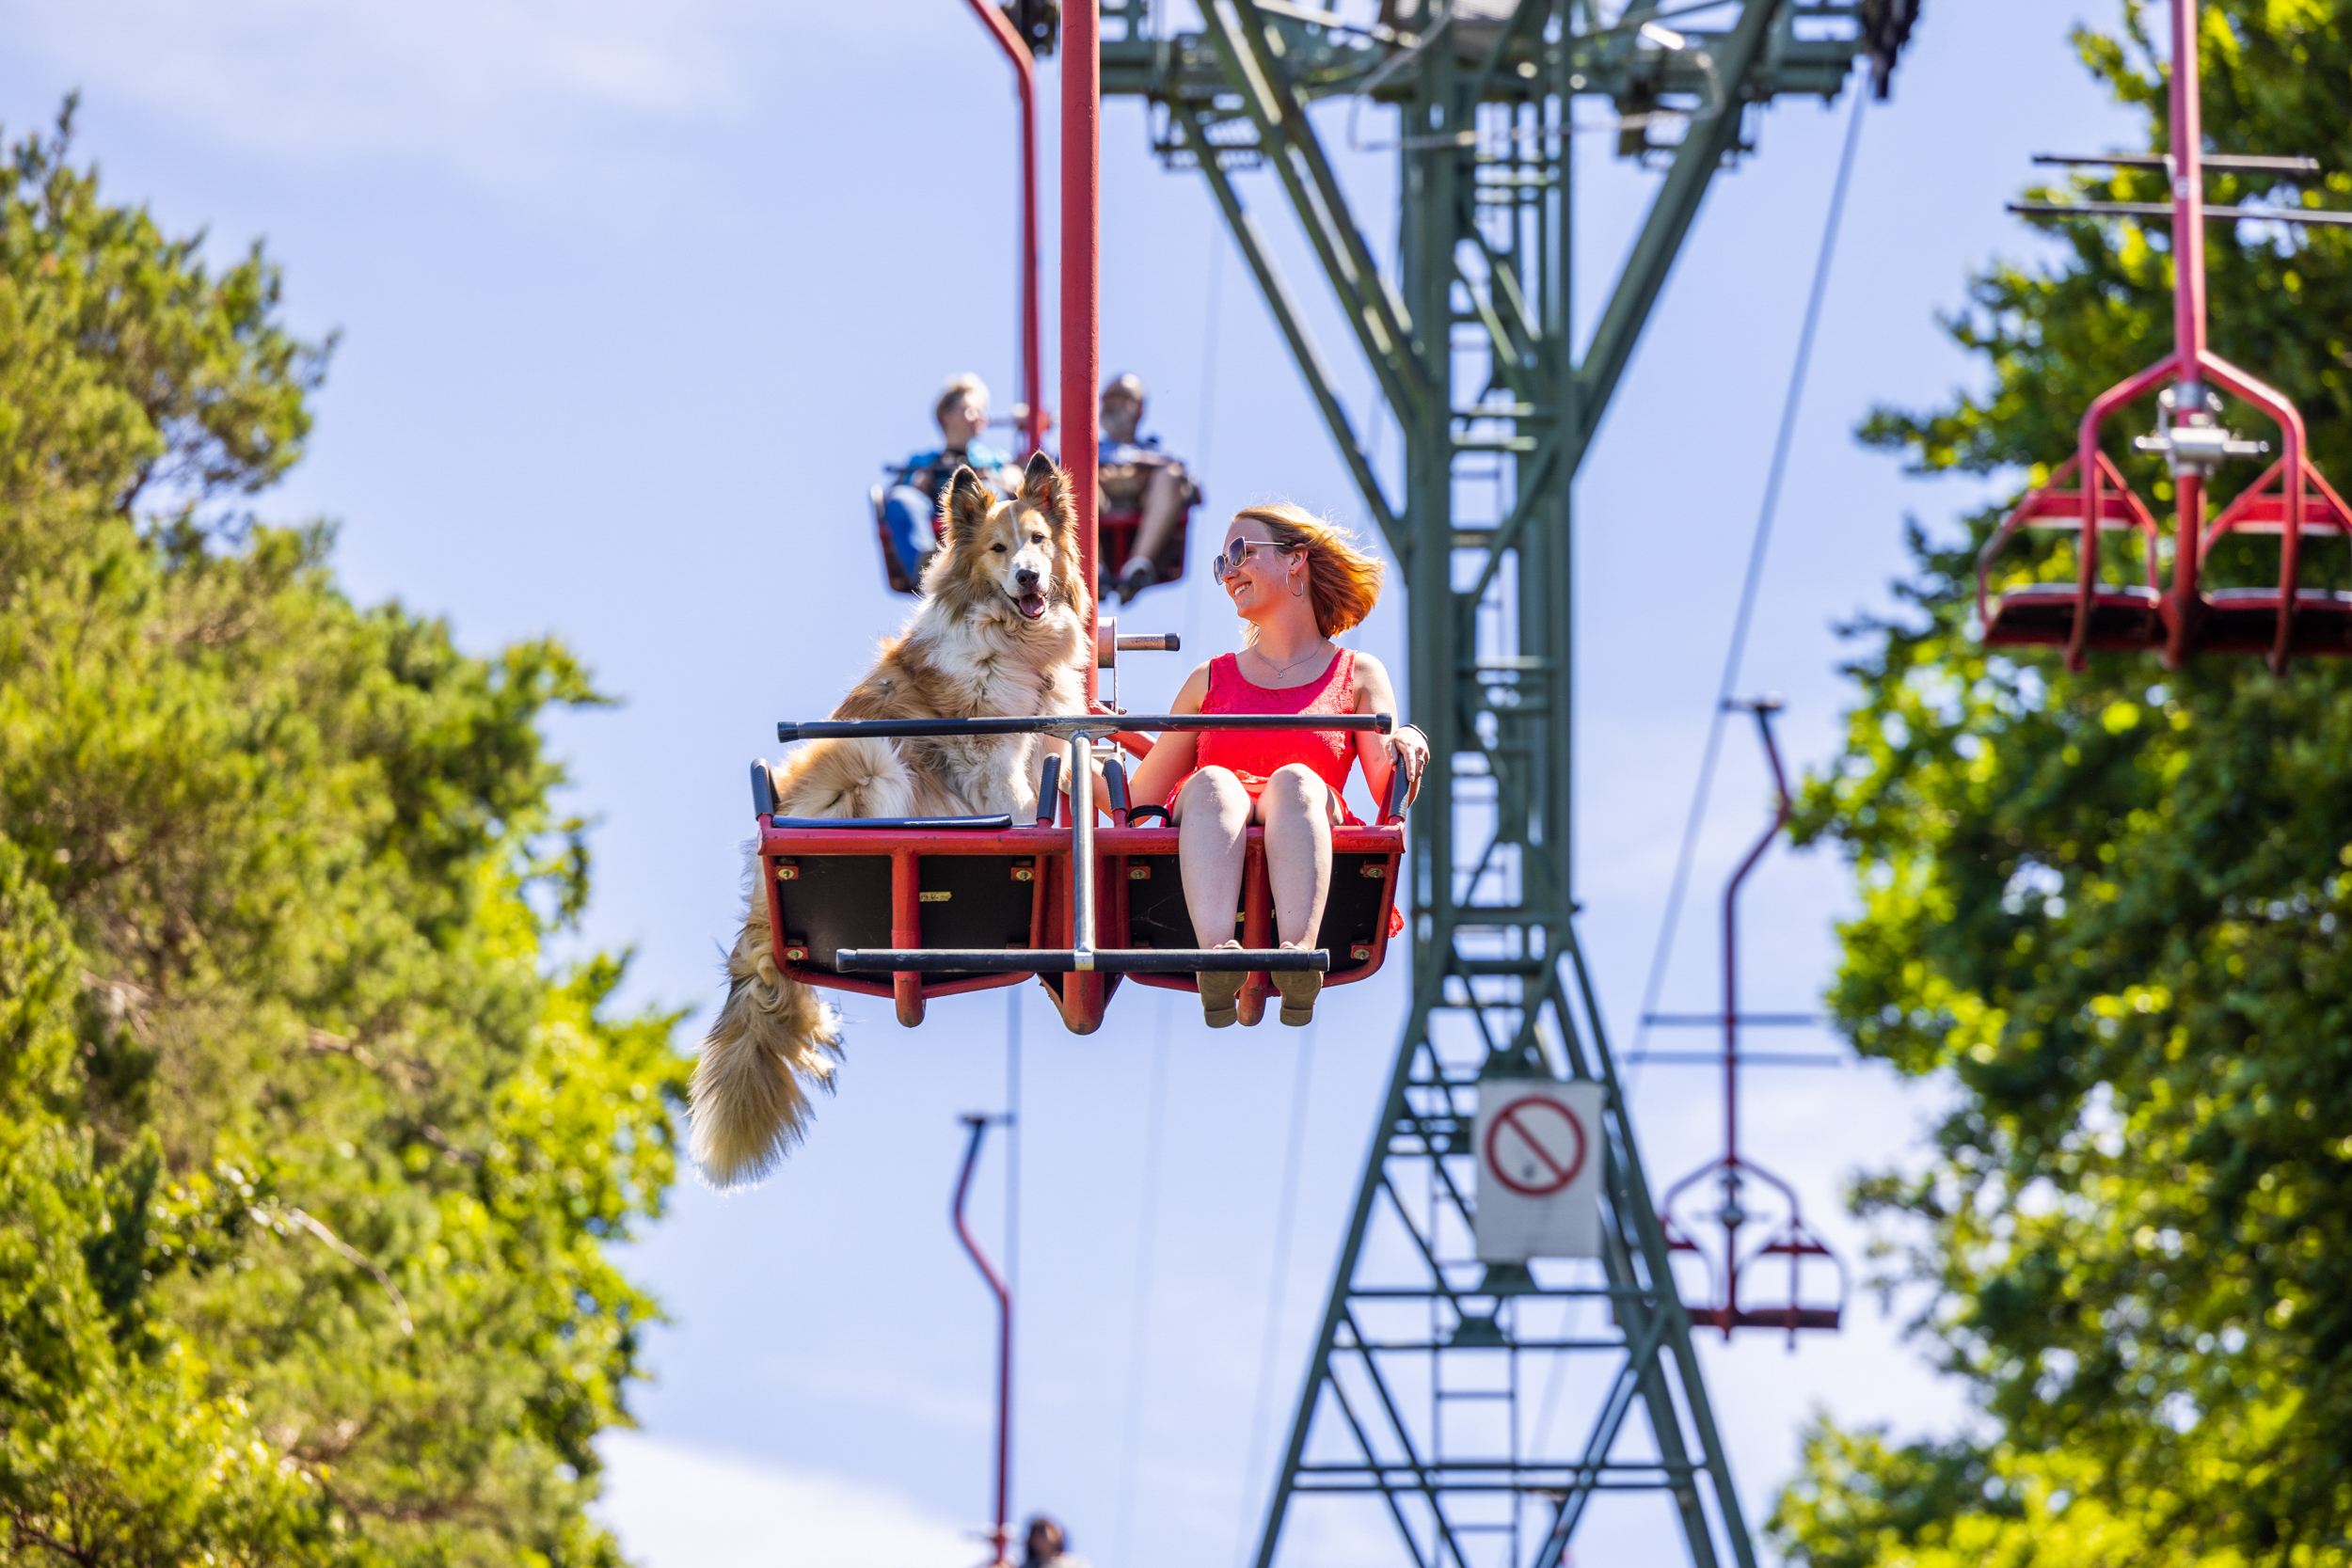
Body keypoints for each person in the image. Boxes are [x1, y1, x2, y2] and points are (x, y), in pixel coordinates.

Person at [1127, 504, 1430, 1028]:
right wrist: (1069, 757)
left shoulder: (1355, 675)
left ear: (1295, 560)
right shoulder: (1212, 680)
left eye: (1241, 553)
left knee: (1294, 781)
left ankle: (1298, 952)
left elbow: (1388, 787)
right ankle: (1216, 954)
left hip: (1307, 812)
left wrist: (1408, 736)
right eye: (1222, 564)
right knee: (1215, 783)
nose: (1230, 573)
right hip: (1213, 820)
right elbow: (1139, 796)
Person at [880, 373, 1022, 581]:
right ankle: (927, 565)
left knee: (989, 490)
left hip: (981, 522)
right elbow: (896, 493)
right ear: (947, 416)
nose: (979, 417)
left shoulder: (994, 459)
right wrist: (917, 484)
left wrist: (1002, 478)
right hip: (934, 513)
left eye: (982, 411)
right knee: (902, 497)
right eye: (971, 410)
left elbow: (1017, 479)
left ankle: (993, 556)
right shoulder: (922, 462)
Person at [1098, 372, 1200, 605]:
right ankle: (1095, 566)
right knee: (1075, 475)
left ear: (1139, 408)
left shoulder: (1157, 451)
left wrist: (1132, 469)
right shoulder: (1086, 447)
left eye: (1123, 397)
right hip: (1098, 504)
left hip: (1145, 506)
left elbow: (1188, 480)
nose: (1115, 403)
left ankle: (1138, 566)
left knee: (1172, 476)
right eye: (1110, 397)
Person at [1020, 1514, 1089, 1568]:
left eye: (1043, 1532)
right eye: (1037, 1534)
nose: (1041, 1538)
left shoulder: (1073, 1564)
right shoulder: (1027, 1566)